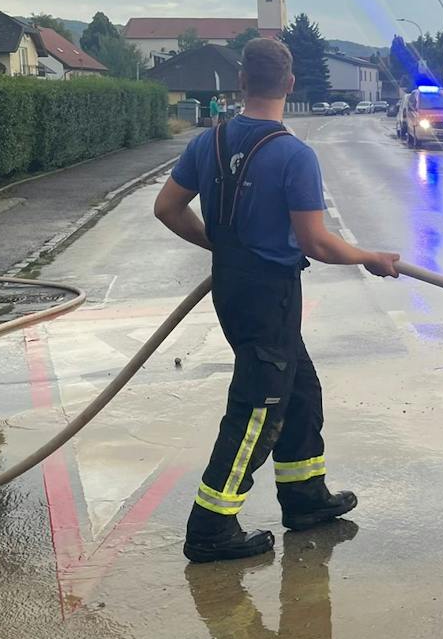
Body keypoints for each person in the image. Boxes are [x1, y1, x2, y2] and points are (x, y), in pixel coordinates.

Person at [153, 37, 401, 564]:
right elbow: (315, 242)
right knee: (258, 408)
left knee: (300, 390)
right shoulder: (292, 154)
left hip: (233, 286)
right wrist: (370, 257)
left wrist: (218, 243)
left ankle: (305, 496)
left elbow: (167, 208)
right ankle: (211, 527)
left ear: (241, 81)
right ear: (289, 84)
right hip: (270, 293)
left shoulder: (209, 143)